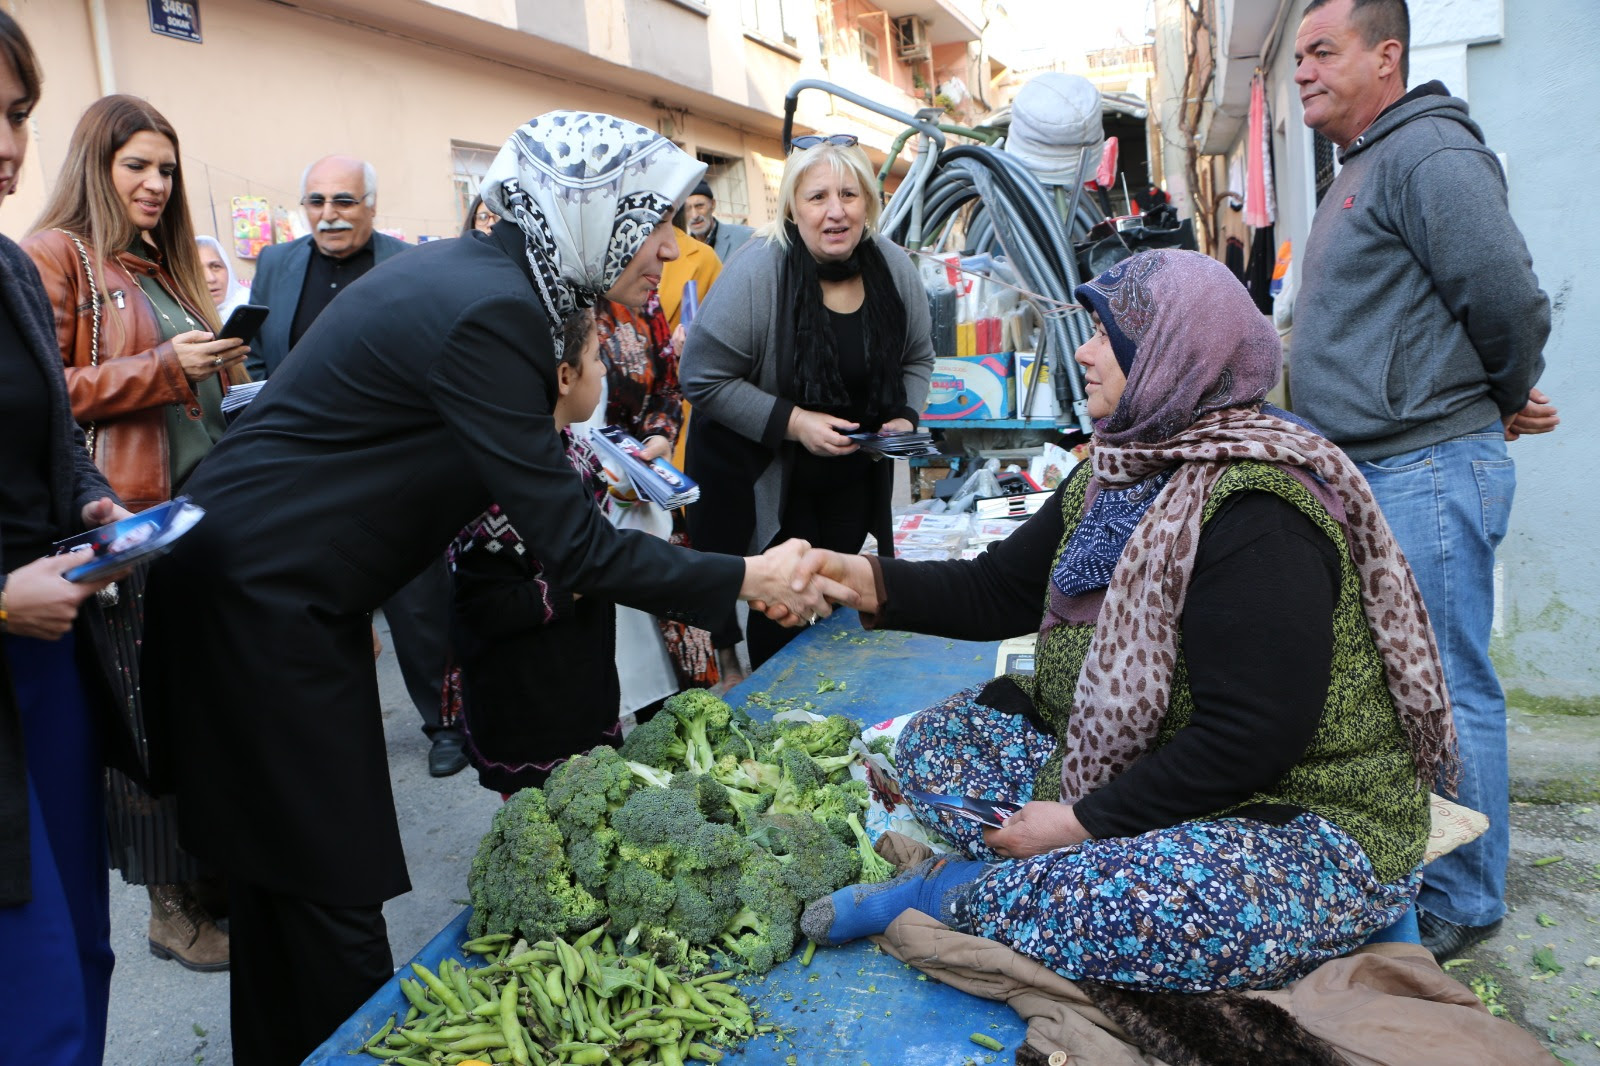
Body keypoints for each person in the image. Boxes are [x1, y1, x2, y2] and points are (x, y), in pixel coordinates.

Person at [138, 110, 851, 1066]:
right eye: (655, 223)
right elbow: (579, 549)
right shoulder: (497, 308)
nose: (672, 246)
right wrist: (749, 575)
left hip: (265, 597)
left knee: (290, 906)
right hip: (258, 609)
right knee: (327, 904)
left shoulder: (492, 284)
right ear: (594, 212)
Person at [797, 249, 1456, 995]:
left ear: (1172, 354)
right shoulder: (1119, 468)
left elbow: (1252, 737)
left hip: (1295, 810)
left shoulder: (1261, 510)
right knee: (934, 745)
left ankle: (947, 894)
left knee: (1139, 911)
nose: (1082, 350)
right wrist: (860, 579)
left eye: (1107, 334)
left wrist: (1077, 824)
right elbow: (999, 588)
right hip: (1154, 772)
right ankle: (1053, 872)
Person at [1290, 0, 1556, 962]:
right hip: (1386, 469)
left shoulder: (1428, 154)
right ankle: (1427, 867)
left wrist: (1500, 392)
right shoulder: (1363, 165)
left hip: (1427, 465)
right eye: (1299, 57)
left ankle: (1467, 898)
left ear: (1386, 55)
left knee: (1447, 687)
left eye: (1324, 51)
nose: (1304, 71)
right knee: (1409, 691)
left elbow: (1506, 292)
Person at [25, 94, 247, 973]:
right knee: (141, 722)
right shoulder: (56, 256)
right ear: (96, 164)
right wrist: (163, 366)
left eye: (166, 168)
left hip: (193, 520)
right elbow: (46, 397)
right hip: (123, 524)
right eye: (136, 166)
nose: (156, 184)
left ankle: (213, 875)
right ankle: (169, 909)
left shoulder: (157, 262)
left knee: (193, 710)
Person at [0, 13, 136, 1062]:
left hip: (49, 665)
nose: (8, 144)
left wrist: (93, 500)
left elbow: (55, 433)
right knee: (28, 979)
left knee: (82, 951)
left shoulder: (7, 269)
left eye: (16, 115)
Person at [680, 134, 934, 675]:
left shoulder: (892, 267)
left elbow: (918, 357)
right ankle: (778, 718)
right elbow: (701, 377)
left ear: (869, 201)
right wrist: (795, 423)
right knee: (786, 605)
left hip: (851, 470)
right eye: (817, 197)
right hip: (769, 474)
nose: (835, 212)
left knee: (844, 595)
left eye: (849, 194)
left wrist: (903, 417)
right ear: (793, 207)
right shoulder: (758, 271)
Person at [244, 153, 464, 775]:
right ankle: (332, 730)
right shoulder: (278, 264)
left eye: (343, 201)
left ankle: (445, 722)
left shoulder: (410, 263)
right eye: (316, 202)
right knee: (314, 602)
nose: (329, 215)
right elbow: (262, 359)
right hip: (308, 469)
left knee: (417, 602)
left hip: (395, 464)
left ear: (370, 204)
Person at [448, 308, 623, 792]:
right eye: (595, 356)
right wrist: (575, 586)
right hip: (528, 710)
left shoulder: (574, 452)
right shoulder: (500, 483)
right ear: (565, 376)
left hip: (582, 681)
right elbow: (482, 607)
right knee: (545, 837)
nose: (605, 369)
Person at [683, 178, 753, 262]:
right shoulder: (680, 250)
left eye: (699, 206)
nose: (694, 215)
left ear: (713, 204)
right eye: (687, 209)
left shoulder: (745, 236)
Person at [195, 235, 248, 320]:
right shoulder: (186, 318)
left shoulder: (250, 305)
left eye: (216, 266)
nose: (211, 279)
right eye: (198, 271)